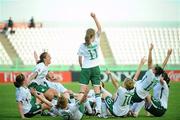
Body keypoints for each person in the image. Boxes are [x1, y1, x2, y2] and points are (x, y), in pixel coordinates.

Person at [77, 12, 102, 115]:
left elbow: (79, 58)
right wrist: (95, 17)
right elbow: (100, 28)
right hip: (96, 68)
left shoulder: (82, 45)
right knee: (97, 91)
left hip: (86, 68)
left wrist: (81, 66)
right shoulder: (96, 41)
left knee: (82, 91)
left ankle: (85, 110)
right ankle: (99, 110)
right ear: (93, 34)